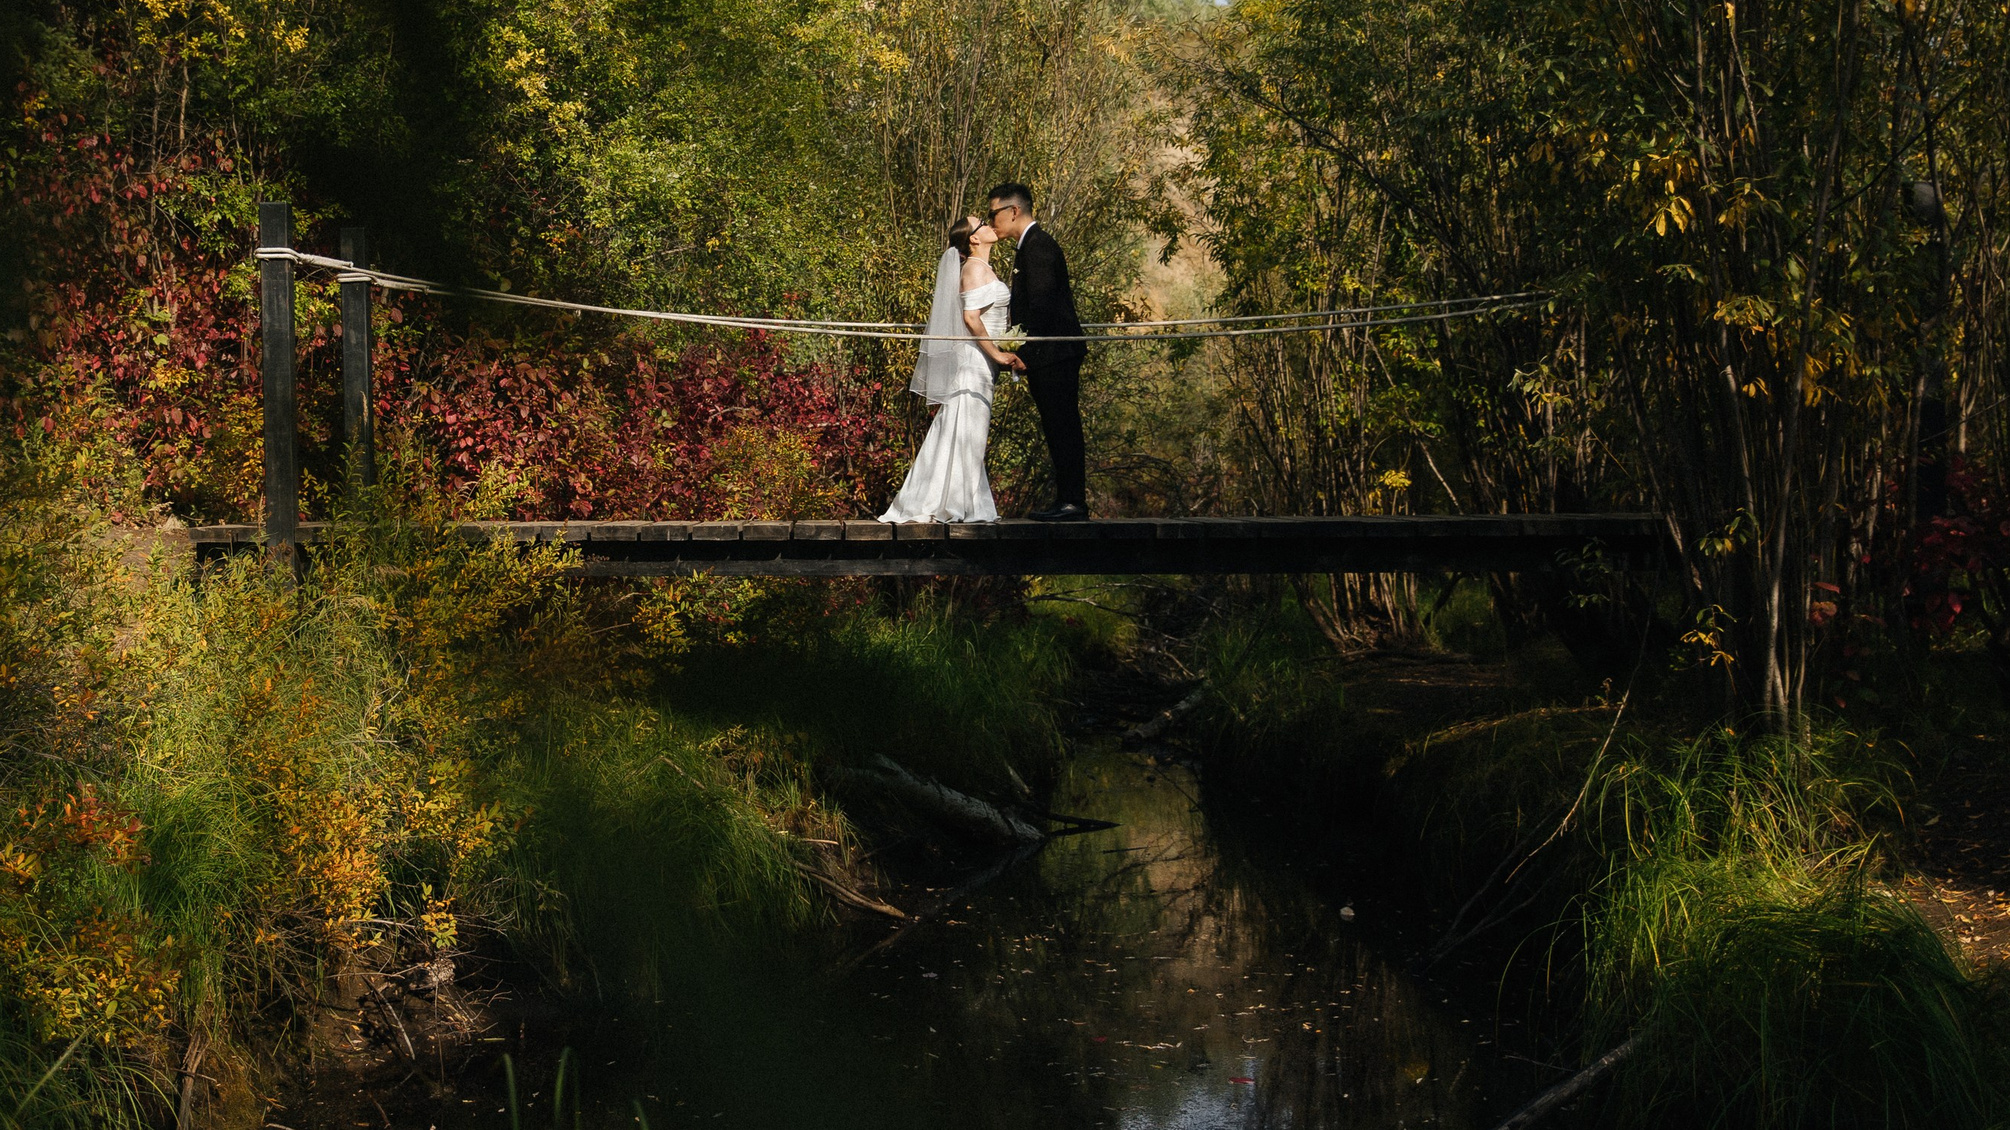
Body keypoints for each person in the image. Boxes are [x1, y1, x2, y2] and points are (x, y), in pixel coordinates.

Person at [879, 216, 1026, 523]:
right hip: (976, 361)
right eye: (982, 223)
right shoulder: (973, 268)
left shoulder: (983, 268)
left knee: (965, 429)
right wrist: (998, 354)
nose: (989, 224)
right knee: (966, 429)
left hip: (982, 361)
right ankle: (955, 503)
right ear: (974, 238)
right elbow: (971, 318)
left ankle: (962, 500)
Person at [985, 181, 1090, 521]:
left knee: (1063, 426)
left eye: (993, 214)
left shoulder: (1039, 247)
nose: (991, 221)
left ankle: (1073, 502)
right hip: (1049, 354)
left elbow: (1042, 308)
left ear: (1013, 211)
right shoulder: (1029, 247)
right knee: (1056, 427)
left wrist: (1023, 354)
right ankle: (1067, 500)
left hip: (1055, 355)